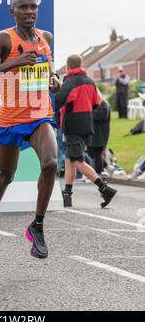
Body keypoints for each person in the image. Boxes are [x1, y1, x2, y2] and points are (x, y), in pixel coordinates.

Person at [0, 0, 60, 259]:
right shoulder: (3, 39)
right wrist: (12, 63)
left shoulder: (46, 38)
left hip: (39, 116)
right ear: (13, 11)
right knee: (6, 176)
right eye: (23, 7)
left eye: (33, 7)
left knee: (51, 163)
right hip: (11, 119)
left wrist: (54, 80)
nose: (30, 11)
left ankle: (37, 226)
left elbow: (49, 70)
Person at [55, 55, 117, 208]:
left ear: (68, 67)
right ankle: (67, 196)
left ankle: (105, 189)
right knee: (70, 160)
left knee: (77, 160)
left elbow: (56, 102)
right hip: (87, 125)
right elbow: (96, 103)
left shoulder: (70, 82)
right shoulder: (90, 82)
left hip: (74, 126)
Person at [87, 90, 111, 175]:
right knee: (90, 153)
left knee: (96, 153)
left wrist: (88, 111)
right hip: (93, 134)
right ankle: (105, 165)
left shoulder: (104, 105)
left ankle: (99, 172)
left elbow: (98, 117)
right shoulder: (94, 105)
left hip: (99, 134)